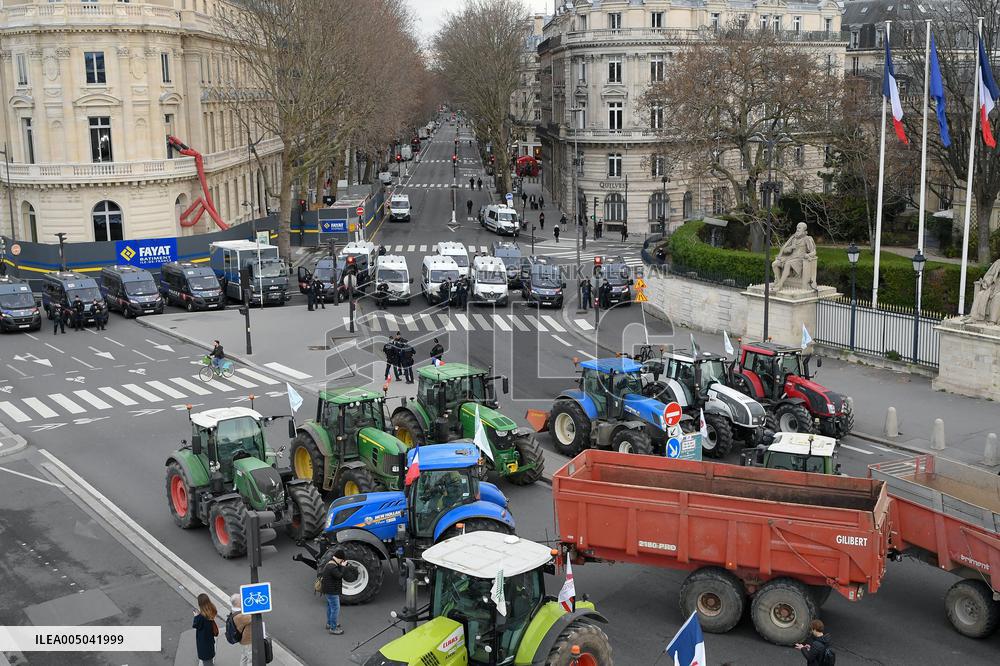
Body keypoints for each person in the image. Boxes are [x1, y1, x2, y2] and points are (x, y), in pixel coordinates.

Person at [321, 549, 347, 634]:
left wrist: (340, 565)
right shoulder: (332, 567)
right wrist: (343, 566)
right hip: (332, 592)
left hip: (328, 591)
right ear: (339, 558)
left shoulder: (330, 563)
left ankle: (329, 623)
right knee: (335, 609)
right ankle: (333, 628)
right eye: (342, 560)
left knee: (330, 608)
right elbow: (339, 576)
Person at [192, 593, 218, 666]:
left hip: (203, 641)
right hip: (209, 639)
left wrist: (196, 616)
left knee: (206, 661)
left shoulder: (200, 617)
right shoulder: (212, 609)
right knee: (209, 658)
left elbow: (195, 625)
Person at [228, 593, 252, 665]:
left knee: (244, 656)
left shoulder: (234, 611)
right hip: (247, 641)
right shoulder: (240, 616)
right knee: (251, 660)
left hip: (242, 640)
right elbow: (253, 618)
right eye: (241, 599)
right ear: (238, 603)